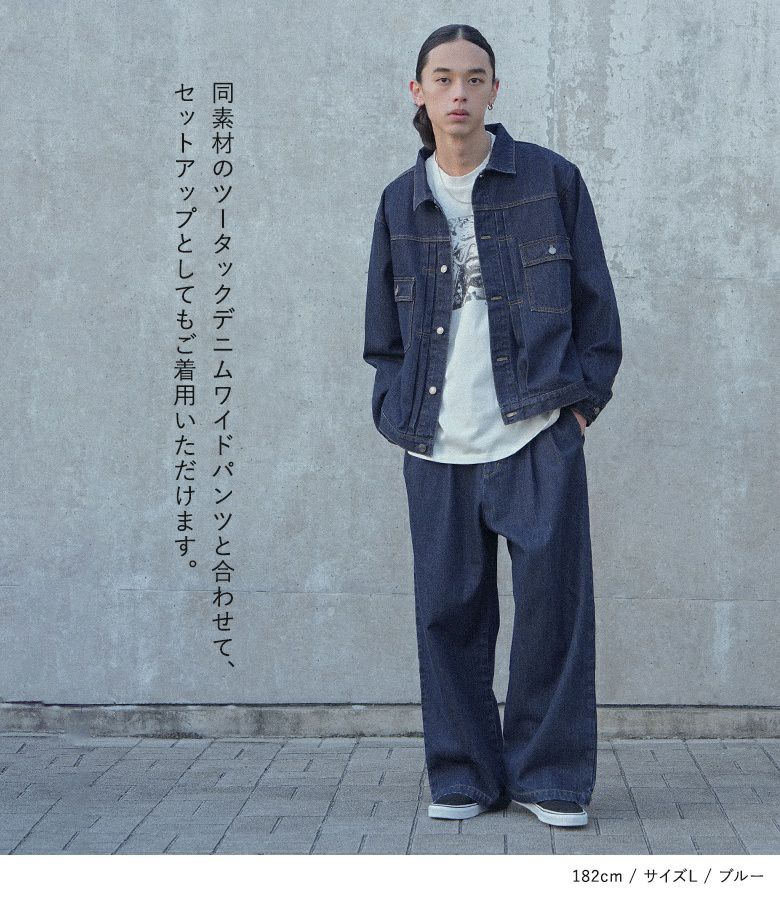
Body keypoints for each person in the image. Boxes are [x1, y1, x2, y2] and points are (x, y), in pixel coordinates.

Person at [363, 24, 622, 828]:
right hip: (436, 440)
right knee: (448, 614)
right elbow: (384, 337)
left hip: (536, 431)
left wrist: (577, 411)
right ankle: (465, 776)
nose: (459, 93)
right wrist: (396, 413)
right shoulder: (400, 201)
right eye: (443, 78)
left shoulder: (550, 180)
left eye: (474, 78)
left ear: (494, 90)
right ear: (418, 92)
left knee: (553, 612)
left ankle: (550, 778)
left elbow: (595, 308)